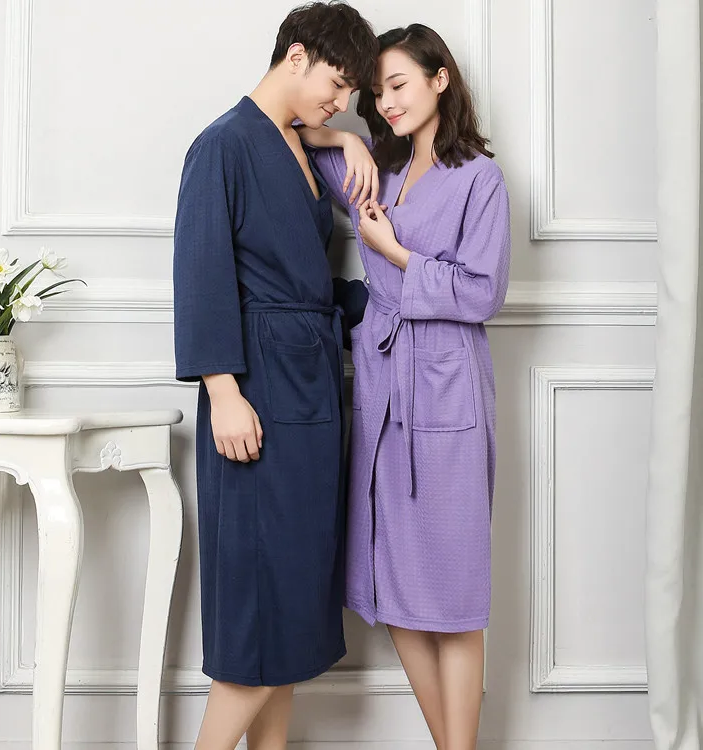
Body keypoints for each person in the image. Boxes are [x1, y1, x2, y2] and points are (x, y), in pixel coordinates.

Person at [297, 24, 511, 750]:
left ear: (439, 78)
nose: (385, 103)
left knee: (455, 595)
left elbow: (482, 292)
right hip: (384, 389)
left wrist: (396, 253)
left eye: (399, 85)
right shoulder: (377, 168)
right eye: (376, 92)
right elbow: (293, 125)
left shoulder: (479, 177)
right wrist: (347, 140)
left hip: (448, 384)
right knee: (394, 587)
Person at [172, 4, 377, 749]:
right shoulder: (223, 145)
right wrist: (223, 391)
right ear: (296, 56)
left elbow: (311, 280)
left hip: (311, 393)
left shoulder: (298, 142)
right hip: (255, 396)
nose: (343, 102)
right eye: (337, 84)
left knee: (289, 619)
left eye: (351, 93)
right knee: (257, 620)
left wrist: (341, 136)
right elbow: (201, 272)